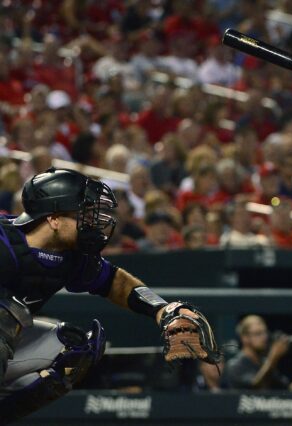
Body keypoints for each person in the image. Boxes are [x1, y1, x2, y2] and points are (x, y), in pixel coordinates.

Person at [0, 167, 218, 422]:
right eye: (82, 214)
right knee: (6, 314)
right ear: (54, 219)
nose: (91, 222)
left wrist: (160, 309)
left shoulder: (72, 256)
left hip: (9, 343)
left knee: (75, 346)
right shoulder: (5, 240)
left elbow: (114, 281)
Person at [223, 315, 292, 391]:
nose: (264, 338)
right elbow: (256, 387)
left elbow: (289, 390)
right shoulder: (235, 365)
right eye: (258, 333)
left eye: (265, 333)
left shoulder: (264, 362)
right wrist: (273, 357)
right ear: (245, 338)